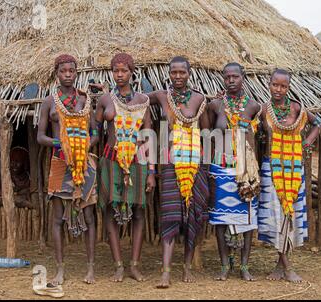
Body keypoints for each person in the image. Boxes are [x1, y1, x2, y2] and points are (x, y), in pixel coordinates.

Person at [147, 56, 210, 289]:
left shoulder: (200, 99)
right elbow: (135, 99)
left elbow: (206, 134)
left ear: (189, 73)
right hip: (170, 165)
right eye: (174, 72)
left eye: (182, 72)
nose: (178, 76)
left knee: (191, 216)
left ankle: (186, 267)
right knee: (171, 215)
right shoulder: (162, 97)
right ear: (168, 73)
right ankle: (166, 272)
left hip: (195, 165)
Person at [37, 54, 99, 285]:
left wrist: (83, 147)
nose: (67, 75)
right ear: (56, 73)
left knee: (90, 215)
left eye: (71, 71)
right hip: (60, 163)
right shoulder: (49, 102)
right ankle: (60, 269)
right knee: (57, 219)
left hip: (84, 164)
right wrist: (60, 143)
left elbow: (95, 132)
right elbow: (40, 136)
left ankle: (90, 268)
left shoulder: (84, 100)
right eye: (63, 71)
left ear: (76, 73)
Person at [258, 69, 321, 283]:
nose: (278, 89)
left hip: (294, 170)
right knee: (277, 215)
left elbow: (318, 123)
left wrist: (307, 142)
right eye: (275, 85)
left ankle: (281, 264)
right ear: (269, 84)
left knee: (290, 215)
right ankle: (286, 266)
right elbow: (250, 127)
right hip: (272, 169)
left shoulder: (298, 108)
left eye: (283, 86)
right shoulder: (264, 110)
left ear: (288, 87)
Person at [96, 53, 155, 282]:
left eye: (124, 70)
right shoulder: (105, 101)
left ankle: (134, 265)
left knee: (139, 211)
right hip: (111, 162)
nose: (119, 75)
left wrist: (151, 172)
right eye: (116, 71)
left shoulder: (143, 100)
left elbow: (148, 137)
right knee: (111, 209)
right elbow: (95, 130)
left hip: (138, 162)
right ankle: (118, 265)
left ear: (132, 72)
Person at [206, 62, 262, 281]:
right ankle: (224, 265)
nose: (231, 80)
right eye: (227, 77)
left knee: (247, 219)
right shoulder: (216, 106)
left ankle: (245, 265)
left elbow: (260, 137)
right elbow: (209, 135)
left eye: (235, 77)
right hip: (220, 168)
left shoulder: (255, 107)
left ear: (243, 78)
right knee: (221, 219)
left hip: (245, 170)